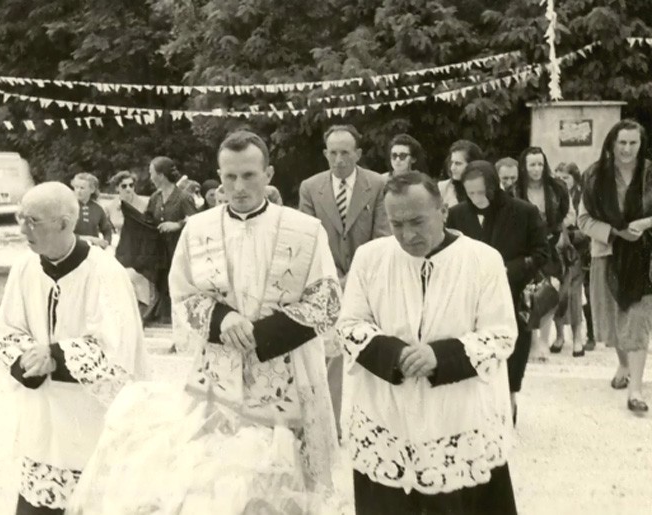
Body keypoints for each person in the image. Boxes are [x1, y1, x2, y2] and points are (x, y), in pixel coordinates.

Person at [69, 130, 344, 514]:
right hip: (220, 372)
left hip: (288, 371)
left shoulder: (305, 230)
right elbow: (182, 292)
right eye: (229, 177)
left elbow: (325, 301)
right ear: (219, 174)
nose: (238, 186)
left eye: (249, 175)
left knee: (288, 485)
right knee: (224, 482)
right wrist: (222, 319)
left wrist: (260, 335)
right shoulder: (198, 229)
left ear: (269, 174)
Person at [339, 172, 518, 515]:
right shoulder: (369, 257)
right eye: (397, 224)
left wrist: (440, 356)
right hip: (386, 415)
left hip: (458, 418)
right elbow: (349, 325)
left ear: (443, 212)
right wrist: (394, 354)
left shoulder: (484, 259)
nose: (408, 235)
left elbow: (501, 334)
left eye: (418, 221)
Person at [0, 182, 148, 514]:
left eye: (32, 220)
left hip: (88, 425)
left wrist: (55, 355)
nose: (22, 229)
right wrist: (27, 360)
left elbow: (117, 350)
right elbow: (7, 331)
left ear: (64, 223)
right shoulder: (24, 267)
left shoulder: (105, 272)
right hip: (42, 423)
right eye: (21, 217)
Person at [299, 124, 390, 434]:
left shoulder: (377, 185)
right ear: (325, 154)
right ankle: (330, 426)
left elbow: (382, 236)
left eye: (345, 153)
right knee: (331, 356)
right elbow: (309, 239)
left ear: (358, 154)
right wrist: (332, 279)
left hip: (369, 282)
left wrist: (353, 277)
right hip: (326, 282)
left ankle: (379, 425)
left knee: (373, 354)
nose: (338, 160)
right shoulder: (310, 188)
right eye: (332, 153)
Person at [447, 160, 549, 424]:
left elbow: (541, 253)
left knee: (512, 348)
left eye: (482, 193)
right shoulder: (458, 214)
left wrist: (507, 269)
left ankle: (510, 398)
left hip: (513, 294)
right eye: (471, 194)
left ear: (494, 187)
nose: (477, 199)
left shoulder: (524, 211)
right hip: (471, 297)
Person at [579, 119, 652, 412]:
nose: (627, 149)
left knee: (635, 319)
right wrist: (614, 232)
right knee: (611, 320)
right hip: (606, 255)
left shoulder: (650, 173)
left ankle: (635, 390)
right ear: (612, 143)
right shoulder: (595, 176)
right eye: (622, 142)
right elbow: (583, 220)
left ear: (641, 144)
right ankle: (623, 365)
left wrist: (645, 223)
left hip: (644, 258)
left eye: (633, 143)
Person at [514, 147, 572, 360]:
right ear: (524, 167)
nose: (537, 169)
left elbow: (567, 214)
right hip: (524, 248)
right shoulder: (515, 190)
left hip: (550, 246)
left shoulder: (557, 188)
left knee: (549, 292)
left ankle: (544, 344)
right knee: (526, 295)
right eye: (532, 164)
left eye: (540, 164)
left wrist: (556, 230)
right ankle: (530, 342)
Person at [145, 156, 197, 324]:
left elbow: (195, 220)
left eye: (151, 172)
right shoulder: (155, 197)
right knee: (161, 283)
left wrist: (177, 224)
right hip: (160, 251)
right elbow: (148, 218)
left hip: (177, 248)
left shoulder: (183, 197)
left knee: (176, 282)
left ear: (160, 175)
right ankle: (162, 316)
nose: (150, 177)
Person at [552, 162, 592, 354]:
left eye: (565, 178)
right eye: (558, 177)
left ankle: (579, 338)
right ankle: (559, 336)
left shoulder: (582, 197)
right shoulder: (552, 194)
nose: (561, 181)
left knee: (573, 294)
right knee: (557, 293)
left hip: (576, 251)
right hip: (556, 248)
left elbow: (584, 224)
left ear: (575, 178)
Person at [106, 171, 156, 315]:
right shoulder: (111, 207)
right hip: (120, 244)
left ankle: (142, 307)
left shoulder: (144, 204)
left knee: (136, 276)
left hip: (138, 245)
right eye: (124, 186)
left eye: (131, 185)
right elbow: (108, 229)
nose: (128, 189)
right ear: (117, 188)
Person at [71, 172, 113, 250]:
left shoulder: (98, 209)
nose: (78, 191)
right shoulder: (68, 207)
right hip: (72, 250)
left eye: (82, 188)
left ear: (92, 190)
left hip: (92, 250)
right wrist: (89, 239)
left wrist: (106, 242)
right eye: (76, 187)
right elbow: (63, 234)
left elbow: (107, 230)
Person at [438, 139, 485, 208]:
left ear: (473, 164)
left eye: (458, 163)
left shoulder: (488, 188)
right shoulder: (442, 188)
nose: (452, 168)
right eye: (452, 162)